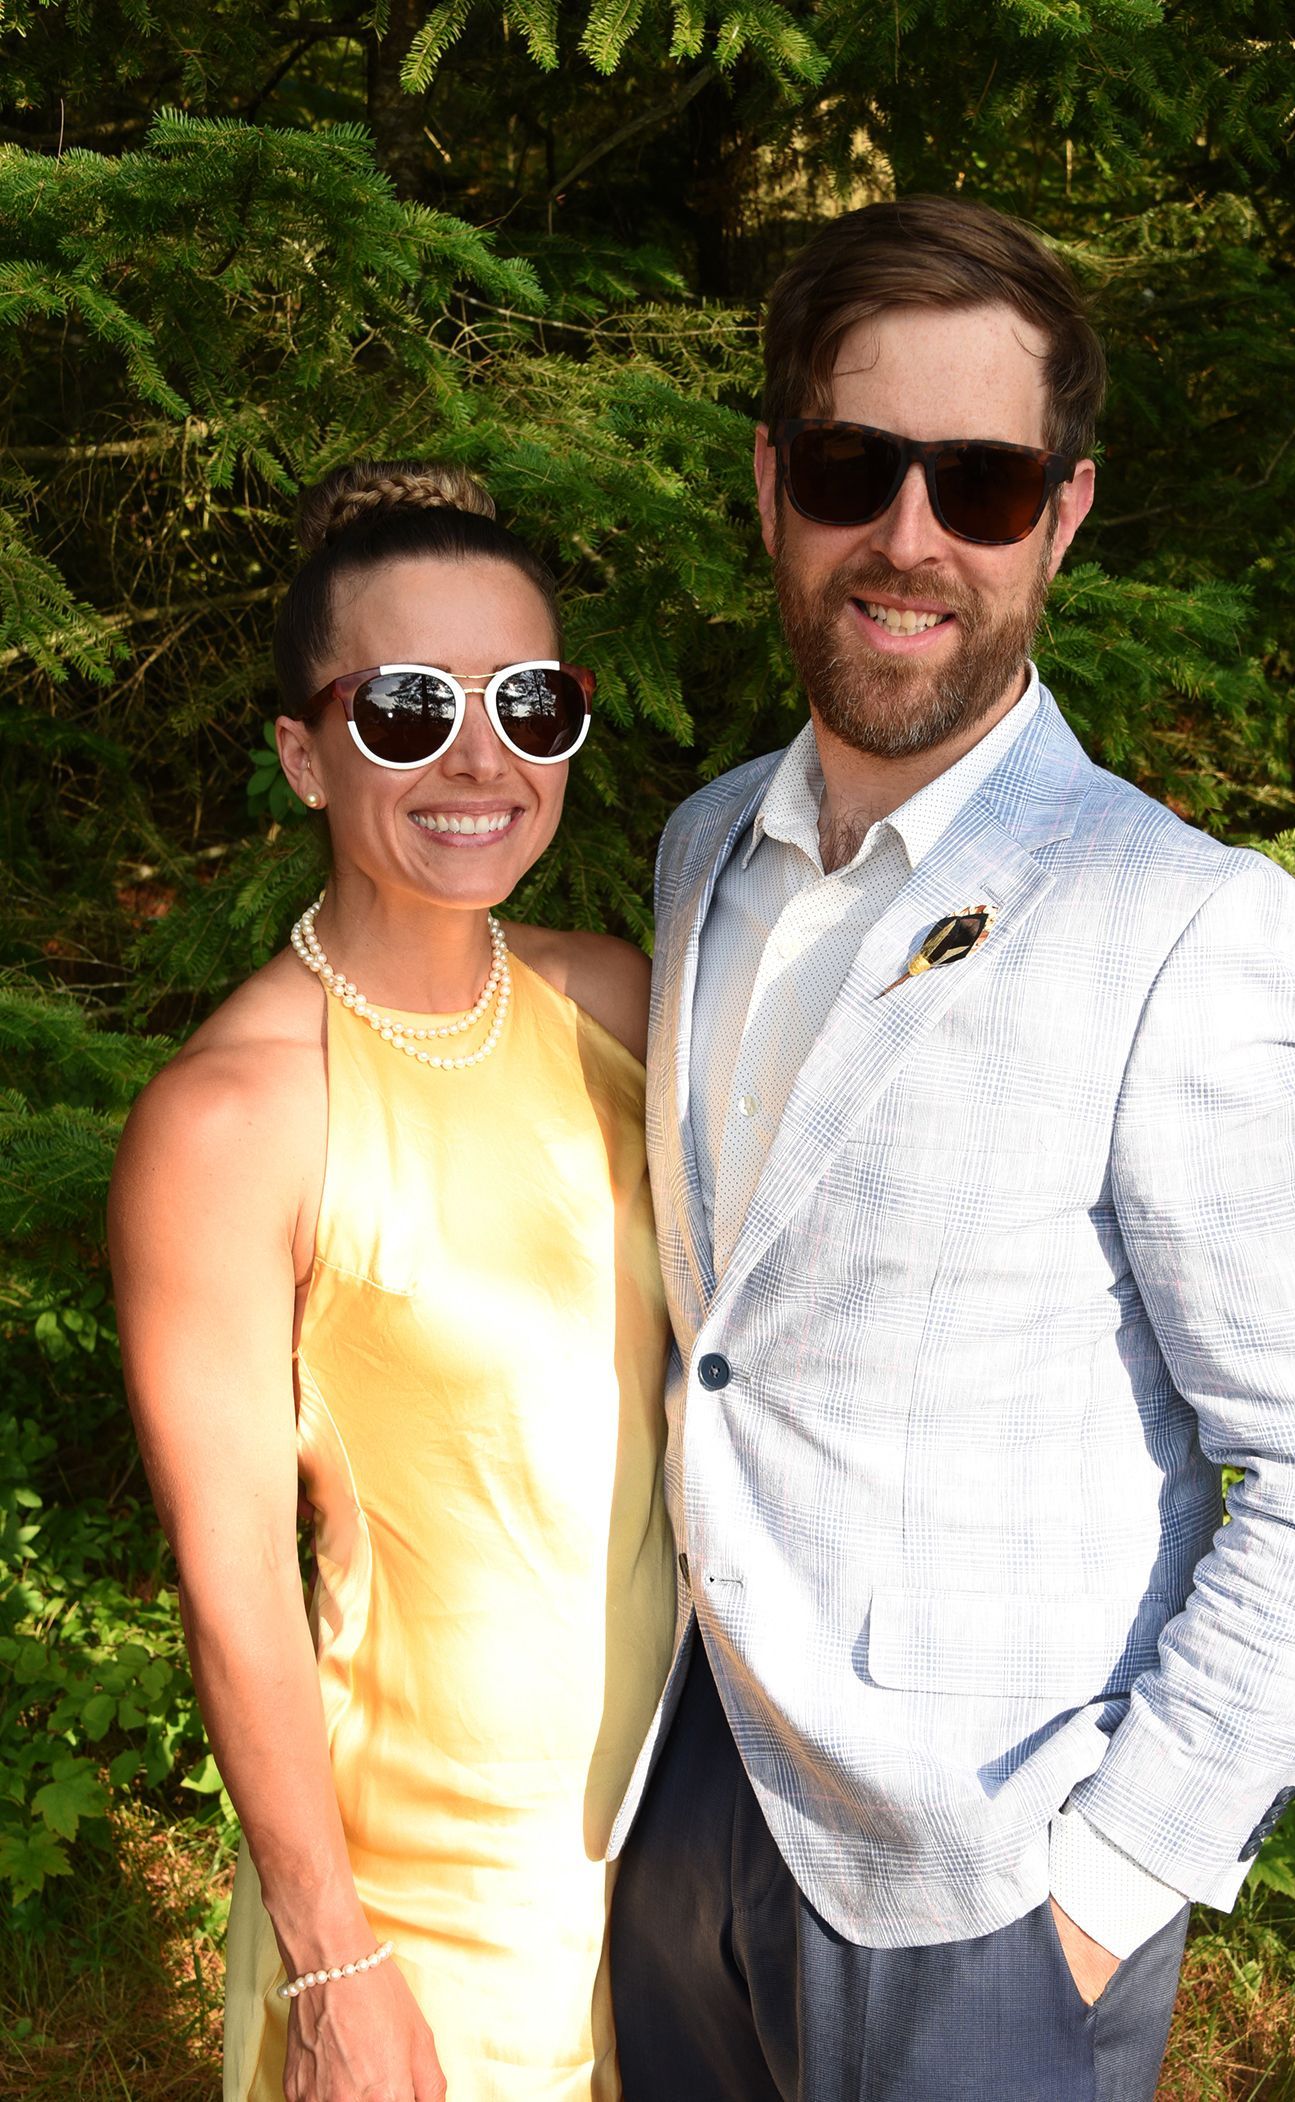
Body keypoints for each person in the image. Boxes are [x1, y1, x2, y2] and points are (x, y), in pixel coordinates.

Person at [609, 197, 1295, 2100]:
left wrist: (1106, 1884)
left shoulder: (1185, 925)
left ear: (1060, 517)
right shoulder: (698, 850)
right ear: (772, 486)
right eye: (854, 466)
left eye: (980, 486)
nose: (911, 537)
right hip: (682, 1819)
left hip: (983, 1897)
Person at [109, 462, 678, 2102]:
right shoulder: (232, 1120)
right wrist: (338, 1961)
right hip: (424, 1914)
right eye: (410, 707)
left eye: (528, 701)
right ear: (304, 750)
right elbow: (238, 1598)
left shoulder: (619, 1008)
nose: (479, 757)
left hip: (673, 1868)